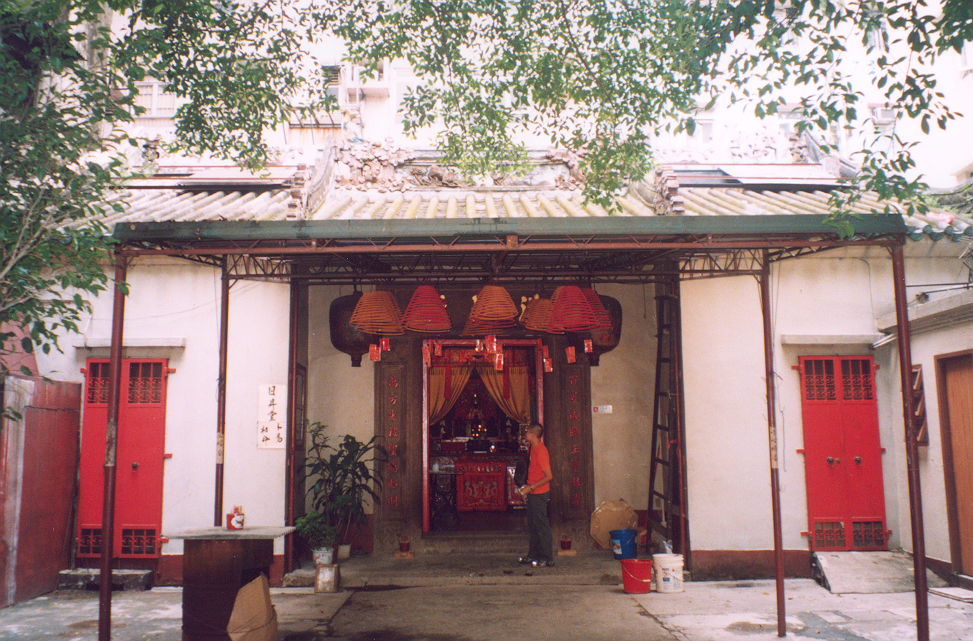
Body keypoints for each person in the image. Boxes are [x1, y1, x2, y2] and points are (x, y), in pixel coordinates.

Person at [518, 422, 554, 568]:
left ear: (533, 434)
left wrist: (531, 487)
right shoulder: (532, 448)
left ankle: (547, 558)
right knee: (533, 526)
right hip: (532, 492)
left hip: (539, 493)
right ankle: (533, 555)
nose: (525, 434)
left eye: (527, 432)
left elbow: (549, 476)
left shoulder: (541, 451)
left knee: (541, 526)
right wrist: (527, 487)